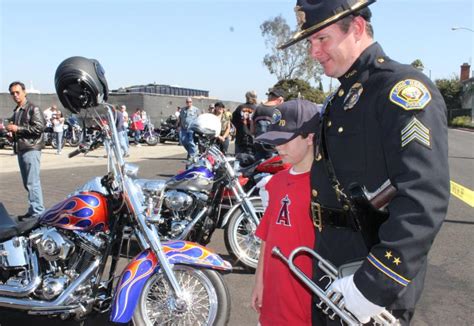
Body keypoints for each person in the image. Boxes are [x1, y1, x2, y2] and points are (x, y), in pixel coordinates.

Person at [279, 1, 450, 325]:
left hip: (372, 271)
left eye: (322, 39)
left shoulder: (400, 90)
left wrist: (374, 285)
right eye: (310, 42)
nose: (314, 52)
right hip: (332, 260)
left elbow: (423, 199)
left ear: (356, 27)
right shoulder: (341, 97)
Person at [251, 99, 321, 326]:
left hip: (307, 300)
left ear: (309, 137)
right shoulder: (276, 182)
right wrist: (259, 281)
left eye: (285, 140)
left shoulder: (325, 188)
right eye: (275, 140)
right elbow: (267, 237)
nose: (279, 147)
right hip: (273, 297)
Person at [6, 81, 46, 220]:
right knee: (28, 182)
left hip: (31, 148)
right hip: (22, 148)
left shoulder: (33, 109)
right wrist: (12, 136)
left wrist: (17, 129)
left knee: (32, 181)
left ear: (24, 92)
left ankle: (38, 212)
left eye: (17, 92)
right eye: (12, 93)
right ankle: (33, 209)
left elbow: (39, 128)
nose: (15, 95)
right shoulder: (17, 110)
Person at [252, 87, 285, 160]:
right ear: (280, 99)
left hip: (258, 146)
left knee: (258, 168)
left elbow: (252, 129)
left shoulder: (258, 108)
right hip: (273, 149)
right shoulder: (279, 110)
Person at [232, 90, 258, 155]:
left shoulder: (240, 107)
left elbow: (233, 120)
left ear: (246, 97)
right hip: (253, 139)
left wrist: (241, 127)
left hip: (240, 137)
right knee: (252, 161)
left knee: (238, 160)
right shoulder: (257, 108)